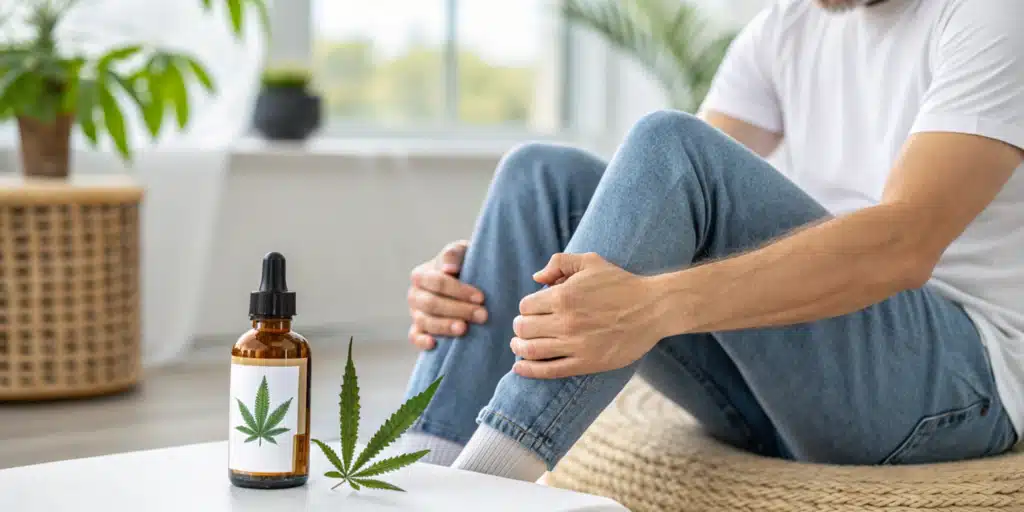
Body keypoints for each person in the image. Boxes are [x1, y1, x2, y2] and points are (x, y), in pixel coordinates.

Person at [397, 0, 1024, 483]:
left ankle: (486, 483)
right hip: (798, 390)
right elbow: (651, 204)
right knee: (542, 179)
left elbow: (904, 245)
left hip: (955, 387)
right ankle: (413, 475)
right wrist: (495, 265)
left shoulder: (990, 16)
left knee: (674, 145)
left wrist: (656, 305)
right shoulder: (786, 27)